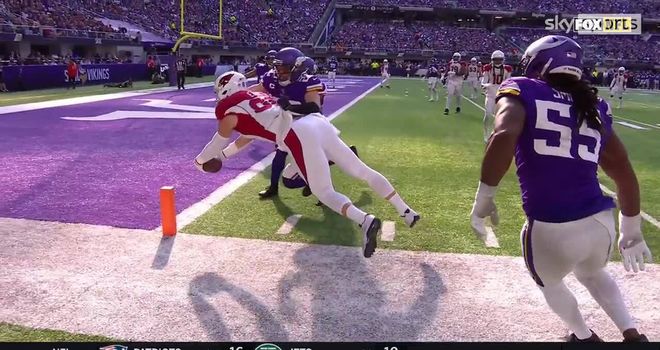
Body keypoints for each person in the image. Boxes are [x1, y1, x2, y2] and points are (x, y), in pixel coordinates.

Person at [470, 35, 652, 343]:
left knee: (549, 282)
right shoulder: (594, 106)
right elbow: (623, 170)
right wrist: (631, 227)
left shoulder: (522, 87)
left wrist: (484, 197)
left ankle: (582, 336)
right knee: (593, 273)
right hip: (600, 224)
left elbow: (503, 136)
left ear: (538, 63)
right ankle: (632, 334)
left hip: (550, 227)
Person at [195, 72, 420, 258]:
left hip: (298, 133)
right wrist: (223, 158)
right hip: (316, 123)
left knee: (323, 192)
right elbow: (244, 138)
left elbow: (220, 138)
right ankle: (406, 211)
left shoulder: (229, 109)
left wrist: (200, 162)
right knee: (361, 170)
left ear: (224, 89)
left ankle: (365, 220)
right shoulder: (254, 100)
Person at [248, 48, 324, 199]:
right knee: (279, 154)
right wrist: (236, 96)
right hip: (287, 122)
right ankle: (273, 187)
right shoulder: (272, 78)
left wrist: (289, 107)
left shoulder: (308, 81)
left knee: (312, 159)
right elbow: (254, 90)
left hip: (309, 124)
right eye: (278, 67)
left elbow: (314, 108)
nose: (279, 72)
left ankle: (324, 188)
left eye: (284, 68)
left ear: (297, 68)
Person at [481, 50, 512, 143]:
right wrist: (486, 85)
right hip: (490, 94)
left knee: (500, 116)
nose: (498, 61)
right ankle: (485, 134)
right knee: (488, 114)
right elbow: (483, 81)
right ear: (492, 60)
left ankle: (494, 133)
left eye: (499, 59)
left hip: (501, 94)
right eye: (496, 59)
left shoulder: (507, 69)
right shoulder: (488, 68)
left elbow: (508, 81)